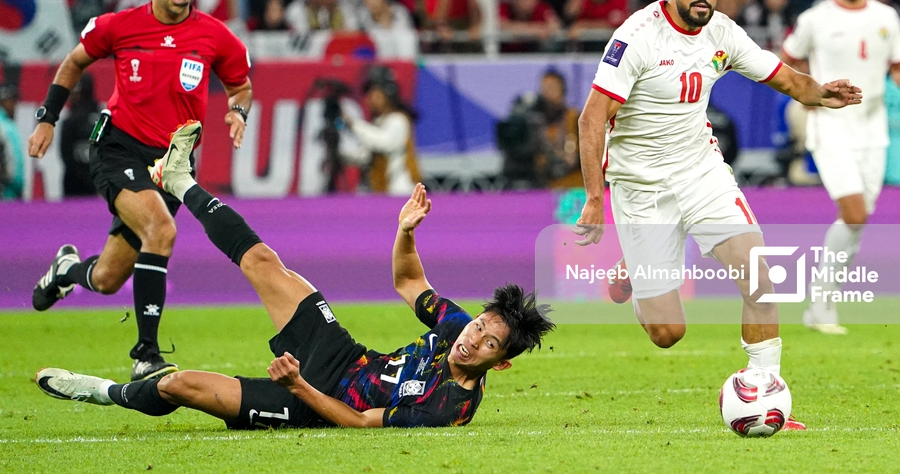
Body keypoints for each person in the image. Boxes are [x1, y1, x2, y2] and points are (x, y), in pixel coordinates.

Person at [35, 125, 554, 429]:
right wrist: (405, 231)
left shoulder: (452, 407)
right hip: (343, 355)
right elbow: (409, 283)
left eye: (488, 344)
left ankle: (100, 392)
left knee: (179, 385)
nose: (472, 340)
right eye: (479, 327)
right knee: (265, 262)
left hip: (318, 404)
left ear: (500, 365)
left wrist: (299, 384)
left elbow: (357, 424)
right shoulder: (454, 329)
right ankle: (181, 178)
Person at [574, 0, 863, 431]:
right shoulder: (636, 36)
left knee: (759, 274)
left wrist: (821, 93)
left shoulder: (722, 33)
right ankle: (637, 267)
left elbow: (783, 77)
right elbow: (591, 119)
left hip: (700, 170)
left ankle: (764, 387)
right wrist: (595, 200)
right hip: (640, 187)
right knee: (667, 332)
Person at [27, 0, 253, 382]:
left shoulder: (215, 36)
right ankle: (146, 353)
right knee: (162, 229)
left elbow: (240, 86)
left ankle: (66, 269)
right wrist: (47, 119)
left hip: (171, 166)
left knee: (108, 277)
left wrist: (237, 111)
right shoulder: (121, 26)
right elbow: (73, 64)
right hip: (117, 149)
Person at [781, 0, 900, 335]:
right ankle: (822, 302)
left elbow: (896, 69)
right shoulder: (816, 18)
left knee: (857, 221)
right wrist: (809, 95)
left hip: (874, 130)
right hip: (831, 129)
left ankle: (821, 303)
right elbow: (788, 60)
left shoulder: (887, 17)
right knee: (853, 213)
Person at [340, 65, 421, 196]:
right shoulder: (378, 122)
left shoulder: (399, 120)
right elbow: (367, 155)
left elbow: (383, 142)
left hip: (399, 191)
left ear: (387, 93)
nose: (369, 99)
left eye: (373, 93)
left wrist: (353, 123)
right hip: (380, 190)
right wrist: (341, 154)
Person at [0, 81, 24, 200]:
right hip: (6, 192)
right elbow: (12, 163)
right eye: (12, 100)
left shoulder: (8, 125)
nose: (15, 105)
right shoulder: (5, 128)